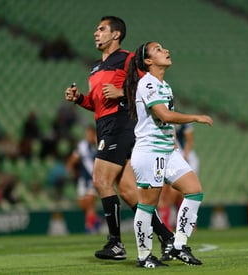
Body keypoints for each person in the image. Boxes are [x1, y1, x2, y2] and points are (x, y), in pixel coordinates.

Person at [64, 16, 174, 260]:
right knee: (127, 191)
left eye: (101, 29)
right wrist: (80, 98)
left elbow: (147, 85)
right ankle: (168, 238)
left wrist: (122, 93)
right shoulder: (94, 67)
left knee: (100, 179)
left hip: (121, 123)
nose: (96, 33)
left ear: (115, 35)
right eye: (96, 29)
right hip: (105, 124)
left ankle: (115, 243)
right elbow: (97, 103)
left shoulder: (127, 59)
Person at [125, 41, 213, 268]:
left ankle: (178, 245)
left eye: (163, 48)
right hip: (149, 152)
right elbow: (164, 115)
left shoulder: (166, 86)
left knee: (194, 191)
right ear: (148, 61)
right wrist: (195, 117)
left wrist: (173, 143)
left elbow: (167, 123)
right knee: (147, 205)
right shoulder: (147, 84)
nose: (166, 51)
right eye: (158, 50)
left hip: (167, 151)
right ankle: (144, 256)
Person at [158, 124, 198, 230]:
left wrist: (184, 155)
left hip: (180, 156)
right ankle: (168, 223)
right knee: (165, 192)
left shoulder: (180, 120)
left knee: (180, 191)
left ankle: (185, 221)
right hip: (165, 155)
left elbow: (189, 140)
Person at [66, 126, 100, 233]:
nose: (88, 136)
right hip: (83, 178)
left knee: (90, 201)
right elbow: (75, 157)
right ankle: (97, 220)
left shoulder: (99, 144)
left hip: (94, 177)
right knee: (82, 204)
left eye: (90, 134)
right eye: (87, 134)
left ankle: (89, 226)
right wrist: (70, 166)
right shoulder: (82, 146)